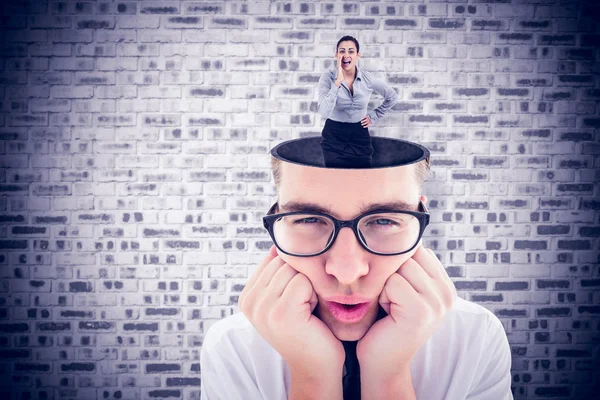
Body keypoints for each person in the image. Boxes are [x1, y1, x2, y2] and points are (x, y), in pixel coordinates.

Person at [200, 137, 513, 400]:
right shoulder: (234, 347)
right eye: (309, 219)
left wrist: (388, 377)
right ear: (276, 217)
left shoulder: (475, 338)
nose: (347, 272)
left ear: (420, 216)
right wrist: (313, 378)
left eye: (384, 220)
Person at [318, 35, 398, 168]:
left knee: (362, 179)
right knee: (336, 181)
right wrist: (337, 83)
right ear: (336, 55)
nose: (346, 55)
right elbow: (324, 112)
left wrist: (374, 115)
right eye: (342, 51)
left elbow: (392, 97)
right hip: (334, 135)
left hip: (359, 134)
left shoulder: (368, 78)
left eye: (351, 51)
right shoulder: (327, 78)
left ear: (357, 55)